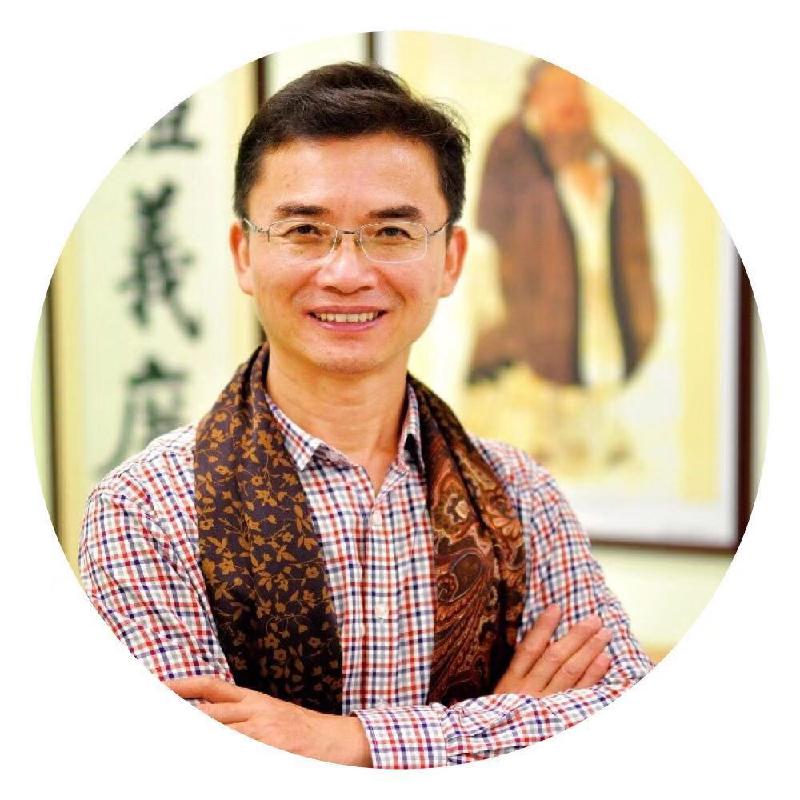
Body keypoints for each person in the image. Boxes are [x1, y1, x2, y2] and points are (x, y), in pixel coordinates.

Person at [79, 62, 652, 769]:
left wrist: (347, 743)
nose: (347, 273)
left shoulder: (521, 498)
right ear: (244, 254)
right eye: (304, 230)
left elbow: (625, 715)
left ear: (451, 259)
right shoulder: (145, 510)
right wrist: (503, 731)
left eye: (391, 232)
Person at [470, 60, 658, 387]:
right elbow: (489, 225)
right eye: (560, 91)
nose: (572, 102)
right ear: (535, 96)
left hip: (594, 307)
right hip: (529, 308)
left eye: (577, 92)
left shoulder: (592, 149)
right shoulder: (510, 143)